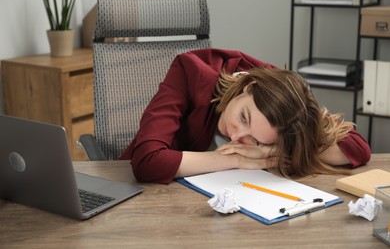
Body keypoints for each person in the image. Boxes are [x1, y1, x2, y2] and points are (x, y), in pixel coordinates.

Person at [120, 48, 371, 184]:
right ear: (247, 87)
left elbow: (357, 149)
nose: (237, 135)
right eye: (243, 117)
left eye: (256, 140)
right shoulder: (190, 69)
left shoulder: (289, 101)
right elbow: (147, 162)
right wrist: (238, 159)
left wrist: (276, 152)